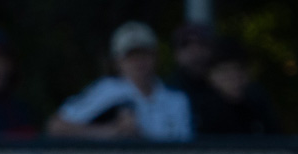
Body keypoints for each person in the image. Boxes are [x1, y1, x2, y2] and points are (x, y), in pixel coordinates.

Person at [47, 21, 193, 141]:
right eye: (131, 56)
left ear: (156, 57)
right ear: (117, 62)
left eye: (144, 54)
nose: (138, 62)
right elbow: (56, 127)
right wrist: (111, 131)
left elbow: (186, 148)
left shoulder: (177, 100)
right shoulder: (107, 90)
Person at [190, 37, 283, 135]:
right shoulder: (199, 111)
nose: (234, 77)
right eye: (225, 71)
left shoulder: (258, 101)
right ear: (209, 76)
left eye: (239, 69)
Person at [168, 21, 217, 105]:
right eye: (185, 44)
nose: (195, 51)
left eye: (202, 43)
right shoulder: (166, 92)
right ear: (176, 54)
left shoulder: (220, 90)